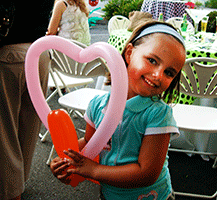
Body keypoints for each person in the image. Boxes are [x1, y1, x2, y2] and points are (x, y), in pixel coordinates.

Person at [50, 20, 186, 200]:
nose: (158, 75)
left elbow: (147, 173)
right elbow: (91, 143)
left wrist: (95, 170)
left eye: (169, 72)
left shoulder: (158, 114)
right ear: (129, 53)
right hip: (110, 195)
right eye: (152, 60)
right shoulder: (97, 105)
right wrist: (66, 162)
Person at [0, 1, 53, 199]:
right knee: (28, 127)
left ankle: (10, 191)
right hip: (39, 52)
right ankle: (19, 182)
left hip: (9, 54)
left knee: (5, 132)